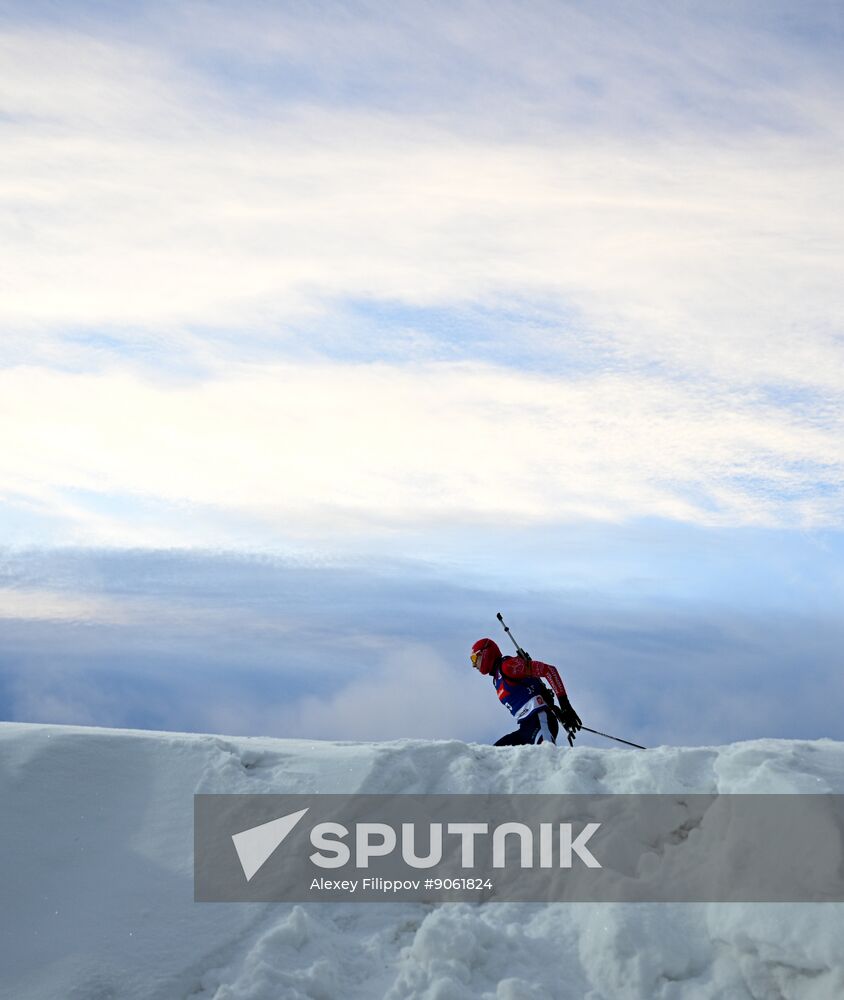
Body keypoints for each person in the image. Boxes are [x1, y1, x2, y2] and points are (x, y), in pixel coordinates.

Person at [471, 637, 582, 746]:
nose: (474, 665)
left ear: (485, 653)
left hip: (539, 721)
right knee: (489, 757)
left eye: (474, 658)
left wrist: (565, 705)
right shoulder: (496, 680)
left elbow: (549, 670)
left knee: (546, 758)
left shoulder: (507, 666)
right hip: (525, 728)